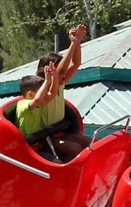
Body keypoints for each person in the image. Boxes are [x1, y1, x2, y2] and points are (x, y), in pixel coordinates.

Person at [15, 25, 89, 161]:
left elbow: (76, 63)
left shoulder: (59, 82)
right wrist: (72, 43)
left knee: (91, 143)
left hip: (60, 131)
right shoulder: (45, 85)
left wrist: (78, 41)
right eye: (59, 69)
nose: (65, 73)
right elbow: (60, 71)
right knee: (74, 149)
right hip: (45, 138)